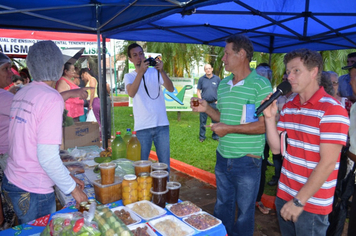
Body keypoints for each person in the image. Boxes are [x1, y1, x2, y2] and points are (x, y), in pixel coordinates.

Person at [191, 34, 272, 236]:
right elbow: (222, 117)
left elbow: (264, 126)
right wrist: (207, 109)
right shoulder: (224, 84)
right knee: (222, 207)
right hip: (223, 156)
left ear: (242, 54)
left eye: (227, 54)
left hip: (247, 160)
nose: (223, 59)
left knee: (245, 213)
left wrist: (228, 129)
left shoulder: (261, 85)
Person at [263, 48, 349, 236]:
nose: (289, 76)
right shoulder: (289, 106)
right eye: (288, 71)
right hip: (285, 193)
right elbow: (277, 150)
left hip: (310, 203)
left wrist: (298, 201)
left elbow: (327, 163)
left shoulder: (332, 111)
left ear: (314, 71)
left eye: (296, 71)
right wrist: (269, 119)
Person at [2, 41, 88, 225]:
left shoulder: (22, 93)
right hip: (33, 189)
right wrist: (74, 190)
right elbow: (47, 158)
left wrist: (66, 175)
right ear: (58, 67)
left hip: (13, 181)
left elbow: (28, 145)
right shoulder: (51, 97)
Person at [124, 43, 174, 169]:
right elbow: (131, 93)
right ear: (130, 59)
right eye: (135, 55)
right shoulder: (129, 76)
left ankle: (165, 187)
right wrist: (140, 72)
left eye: (141, 54)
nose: (139, 57)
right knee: (141, 166)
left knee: (164, 164)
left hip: (161, 124)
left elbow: (171, 88)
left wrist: (161, 71)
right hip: (142, 127)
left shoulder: (155, 72)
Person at [267, 73, 294, 187]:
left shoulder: (296, 97)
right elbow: (276, 114)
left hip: (292, 135)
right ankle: (278, 177)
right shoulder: (278, 97)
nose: (284, 81)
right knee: (277, 156)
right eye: (283, 79)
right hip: (278, 131)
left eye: (286, 79)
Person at [255, 63, 273, 215]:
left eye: (265, 76)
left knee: (261, 167)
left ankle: (258, 199)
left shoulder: (272, 96)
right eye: (260, 75)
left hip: (264, 139)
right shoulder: (250, 91)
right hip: (248, 140)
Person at [0, 52, 16, 230]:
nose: (10, 72)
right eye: (5, 69)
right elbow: (30, 107)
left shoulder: (4, 95)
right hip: (5, 157)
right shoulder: (3, 97)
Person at [197, 64, 220, 142]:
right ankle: (202, 136)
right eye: (206, 69)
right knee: (203, 120)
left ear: (212, 69)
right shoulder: (201, 79)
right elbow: (198, 91)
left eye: (209, 68)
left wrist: (218, 100)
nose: (208, 70)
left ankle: (215, 135)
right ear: (204, 70)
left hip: (214, 103)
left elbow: (220, 91)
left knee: (215, 120)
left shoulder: (217, 79)